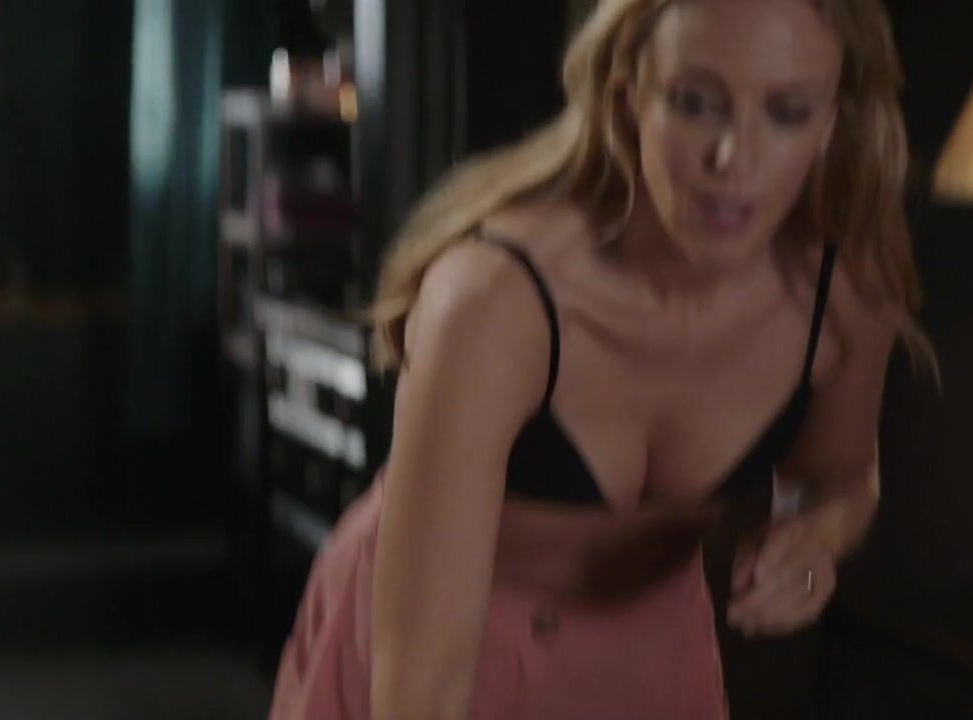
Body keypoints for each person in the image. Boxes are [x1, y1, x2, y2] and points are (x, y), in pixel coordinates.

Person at [269, 0, 929, 717]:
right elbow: (423, 694)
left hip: (653, 656)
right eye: (695, 103)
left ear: (832, 122)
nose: (732, 160)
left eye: (787, 113)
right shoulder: (494, 302)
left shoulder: (846, 297)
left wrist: (816, 542)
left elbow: (842, 481)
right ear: (628, 98)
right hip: (434, 648)